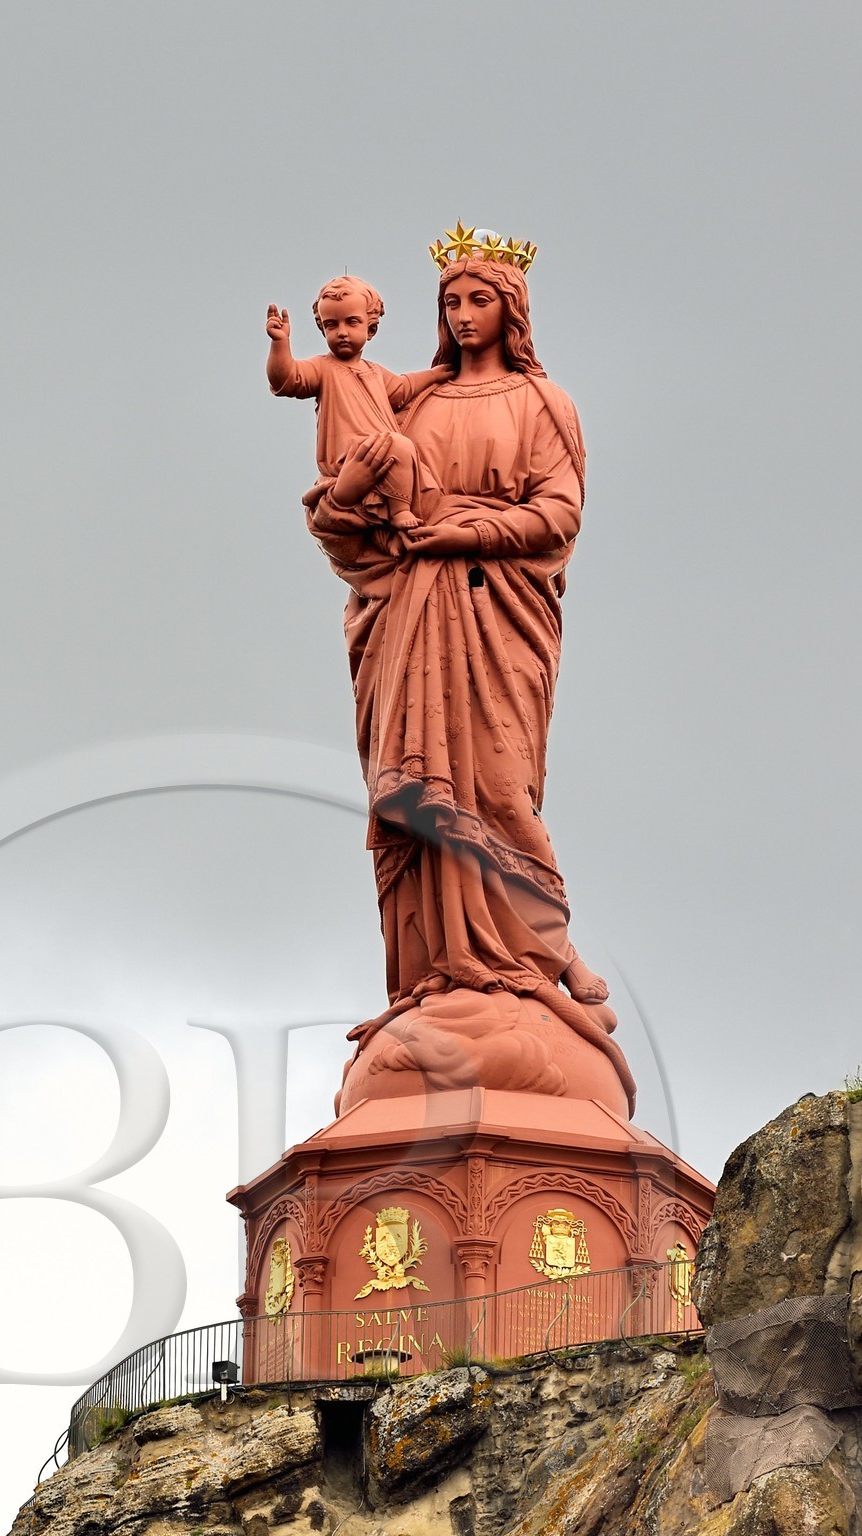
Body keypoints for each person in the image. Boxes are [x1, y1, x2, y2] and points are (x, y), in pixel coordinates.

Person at [300, 227, 633, 1105]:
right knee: (414, 796)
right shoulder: (409, 405)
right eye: (450, 300)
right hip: (407, 613)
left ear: (510, 309)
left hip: (496, 610)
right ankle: (437, 974)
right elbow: (351, 516)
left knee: (495, 785)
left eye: (477, 298)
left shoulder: (544, 403)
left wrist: (466, 529)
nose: (461, 313)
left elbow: (557, 514)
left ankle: (540, 956)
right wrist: (350, 498)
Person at [265, 276, 448, 534]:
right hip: (346, 459)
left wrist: (438, 374)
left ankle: (400, 508)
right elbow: (286, 378)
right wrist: (280, 343)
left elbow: (402, 388)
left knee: (402, 447)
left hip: (383, 449)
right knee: (400, 445)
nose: (341, 332)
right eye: (331, 325)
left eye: (352, 322)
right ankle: (398, 511)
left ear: (370, 329)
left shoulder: (375, 372)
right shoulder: (322, 368)